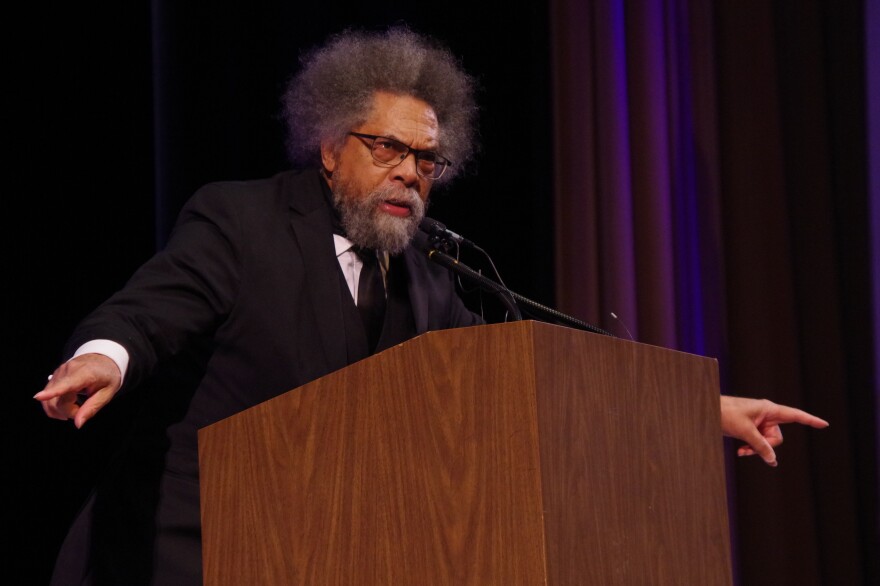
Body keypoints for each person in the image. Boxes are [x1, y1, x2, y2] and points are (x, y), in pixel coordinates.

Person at [34, 25, 828, 585]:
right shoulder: (242, 222)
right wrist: (105, 356)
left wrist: (700, 408)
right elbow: (154, 309)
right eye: (387, 148)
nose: (410, 172)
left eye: (427, 158)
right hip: (184, 550)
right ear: (329, 146)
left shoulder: (428, 277)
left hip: (328, 561)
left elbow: (521, 391)